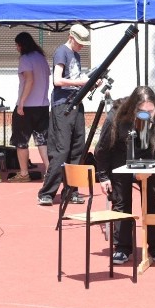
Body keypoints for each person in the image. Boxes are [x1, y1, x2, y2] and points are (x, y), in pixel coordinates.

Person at [95, 86, 155, 265]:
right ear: (132, 109)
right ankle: (122, 247)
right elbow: (102, 149)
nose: (147, 114)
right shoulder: (116, 116)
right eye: (141, 111)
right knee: (121, 202)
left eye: (150, 111)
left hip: (148, 154)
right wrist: (103, 176)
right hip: (120, 155)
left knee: (153, 199)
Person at [37, 23, 92, 206]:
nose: (82, 46)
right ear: (71, 37)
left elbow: (76, 78)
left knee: (78, 148)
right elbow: (57, 80)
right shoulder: (62, 52)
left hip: (76, 104)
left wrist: (90, 82)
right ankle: (47, 192)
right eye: (79, 42)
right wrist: (80, 83)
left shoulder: (75, 54)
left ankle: (72, 190)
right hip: (63, 106)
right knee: (62, 149)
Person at [8, 32, 50, 183]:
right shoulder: (41, 58)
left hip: (28, 106)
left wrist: (21, 102)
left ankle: (24, 173)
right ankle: (49, 170)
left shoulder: (25, 59)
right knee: (42, 140)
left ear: (21, 45)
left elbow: (29, 80)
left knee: (21, 141)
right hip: (43, 105)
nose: (16, 48)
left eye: (17, 45)